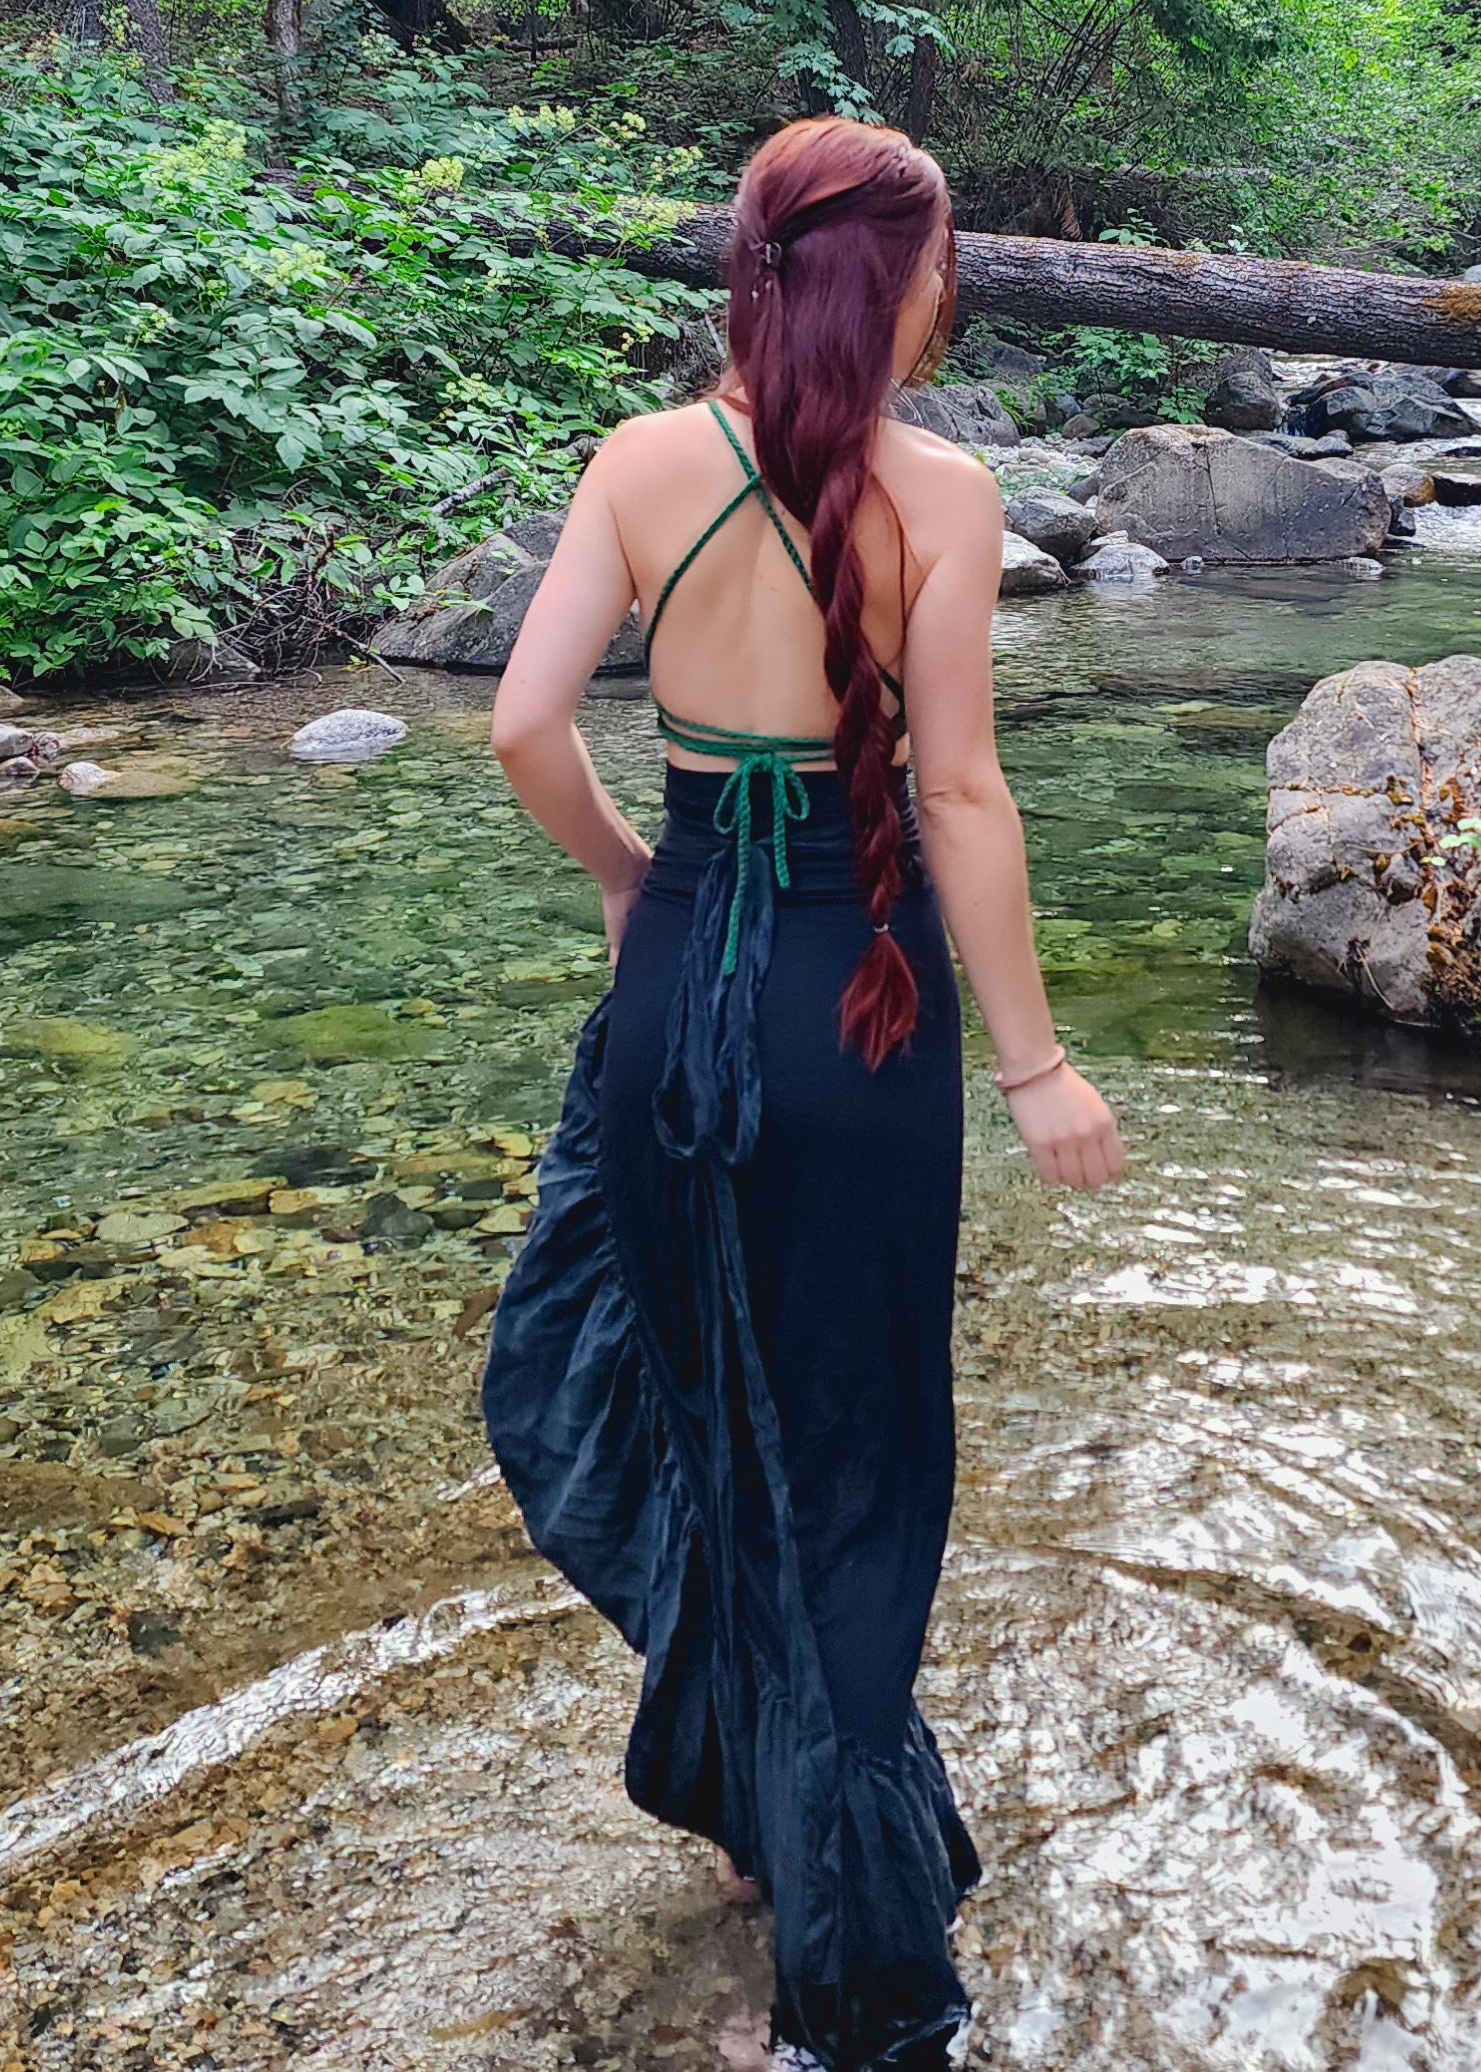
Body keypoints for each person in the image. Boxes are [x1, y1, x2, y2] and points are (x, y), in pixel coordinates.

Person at [481, 116, 1127, 2070]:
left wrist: (622, 880)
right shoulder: (941, 493)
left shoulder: (638, 464)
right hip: (856, 1007)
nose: (955, 293)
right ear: (889, 276)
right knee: (854, 1479)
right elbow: (951, 795)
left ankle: (777, 1812)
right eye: (948, 261)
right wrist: (1032, 1058)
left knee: (676, 1406)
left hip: (680, 986)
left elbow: (520, 723)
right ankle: (855, 2004)